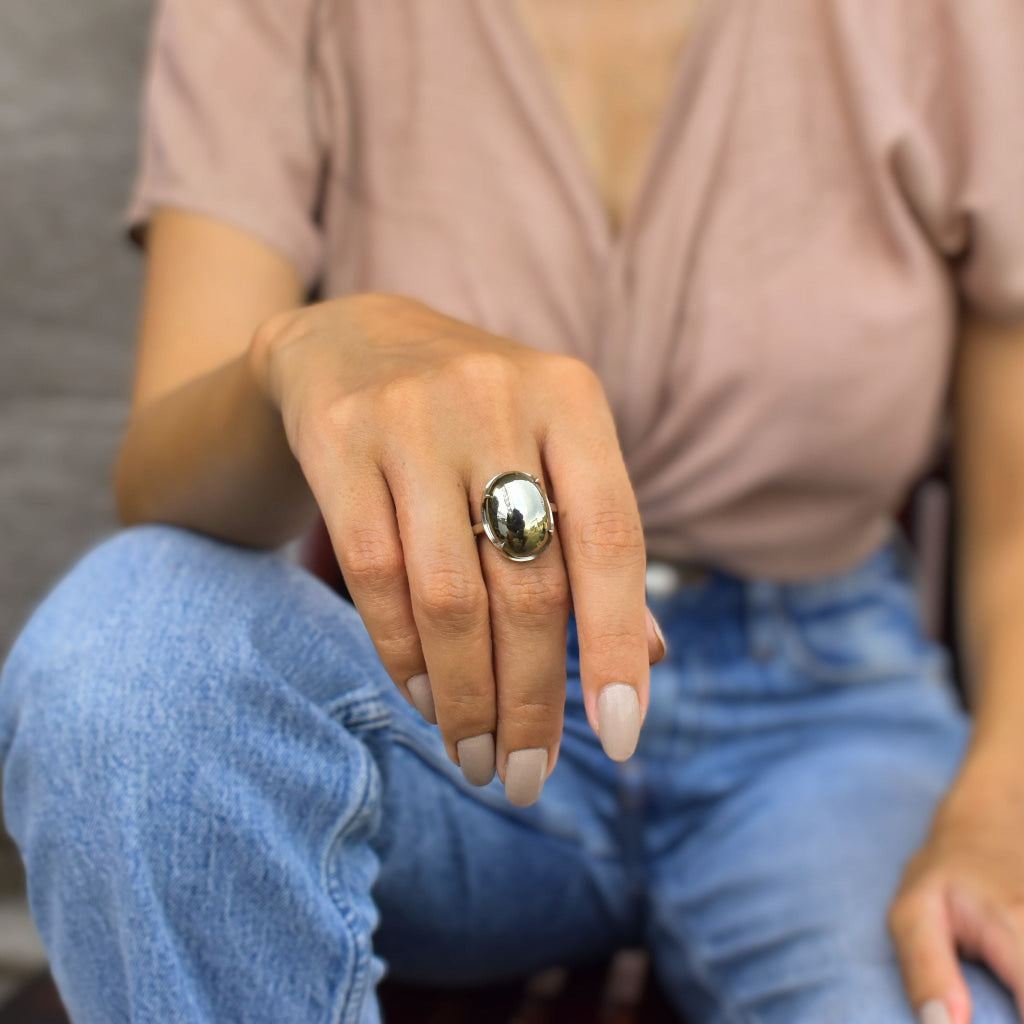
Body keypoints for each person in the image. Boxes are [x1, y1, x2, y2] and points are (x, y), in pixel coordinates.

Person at [3, 0, 1024, 1021]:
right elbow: (161, 492)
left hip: (822, 721)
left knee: (959, 992)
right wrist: (297, 354)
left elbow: (1011, 534)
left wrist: (1000, 804)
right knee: (126, 650)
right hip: (436, 692)